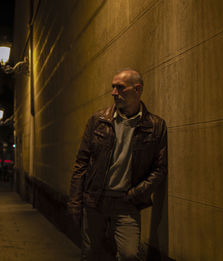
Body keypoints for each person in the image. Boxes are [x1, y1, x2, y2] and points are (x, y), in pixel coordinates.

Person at [68, 69, 168, 260]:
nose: (114, 92)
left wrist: (135, 193)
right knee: (91, 254)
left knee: (130, 254)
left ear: (137, 89)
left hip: (126, 202)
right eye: (113, 87)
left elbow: (160, 168)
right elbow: (81, 163)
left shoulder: (155, 126)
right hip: (95, 200)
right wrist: (75, 202)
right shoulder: (98, 120)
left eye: (120, 87)